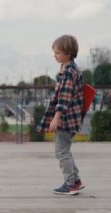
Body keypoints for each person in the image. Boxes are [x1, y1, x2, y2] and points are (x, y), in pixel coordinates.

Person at [37, 35, 85, 195]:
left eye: (57, 52)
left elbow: (64, 98)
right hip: (70, 119)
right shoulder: (70, 70)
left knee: (61, 152)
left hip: (65, 119)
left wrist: (56, 118)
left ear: (68, 52)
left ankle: (69, 184)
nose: (54, 55)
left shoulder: (69, 73)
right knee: (65, 150)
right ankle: (76, 181)